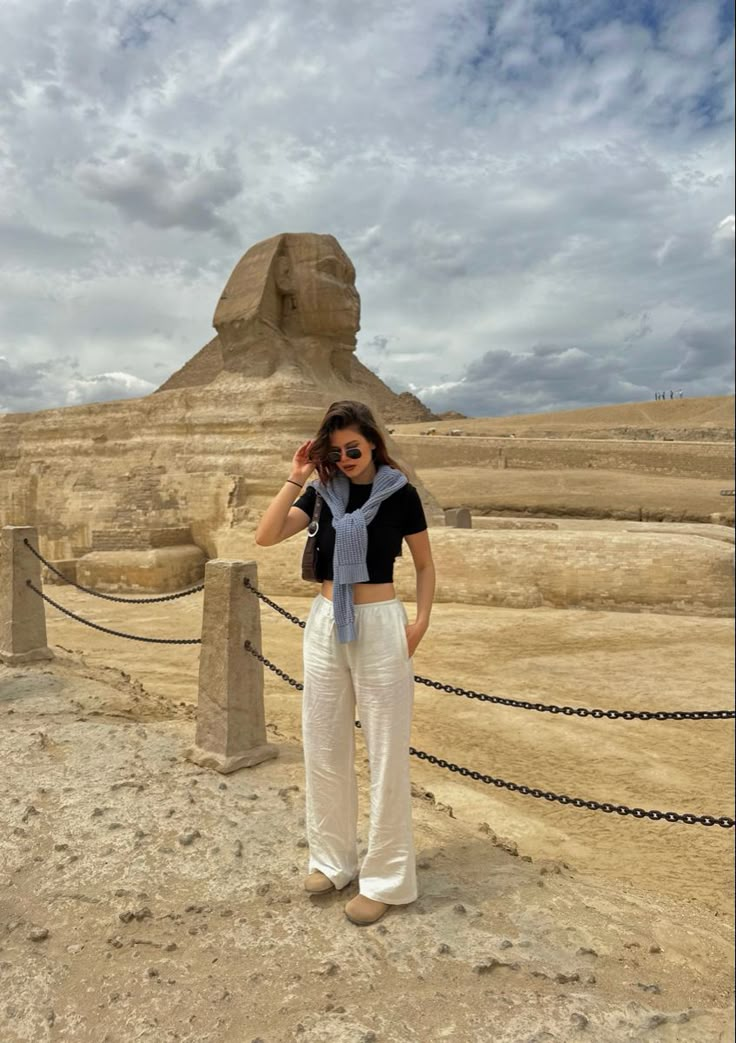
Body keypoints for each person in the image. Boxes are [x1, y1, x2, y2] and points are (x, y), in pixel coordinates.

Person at [255, 400, 435, 925]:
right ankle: (332, 860)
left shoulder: (400, 495)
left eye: (353, 448)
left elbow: (424, 564)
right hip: (326, 620)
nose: (345, 458)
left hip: (380, 623)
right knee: (324, 743)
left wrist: (420, 622)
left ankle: (386, 880)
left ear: (374, 443)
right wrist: (297, 476)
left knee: (385, 753)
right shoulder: (321, 493)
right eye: (334, 451)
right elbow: (265, 536)